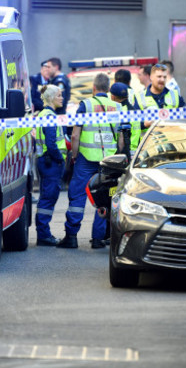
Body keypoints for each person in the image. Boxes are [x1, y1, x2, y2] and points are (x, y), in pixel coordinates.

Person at [58, 73, 123, 249]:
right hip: (108, 161)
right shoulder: (117, 107)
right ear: (109, 89)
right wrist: (118, 155)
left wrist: (74, 154)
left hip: (85, 159)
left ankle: (71, 236)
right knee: (104, 197)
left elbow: (75, 134)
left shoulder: (85, 105)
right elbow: (121, 137)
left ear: (94, 88)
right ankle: (98, 239)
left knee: (77, 195)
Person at [34, 84, 67, 246]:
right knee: (48, 198)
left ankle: (43, 233)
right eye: (59, 95)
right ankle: (44, 235)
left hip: (46, 161)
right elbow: (51, 143)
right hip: (51, 162)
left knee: (46, 197)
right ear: (52, 98)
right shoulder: (50, 116)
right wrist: (60, 158)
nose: (62, 98)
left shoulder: (44, 113)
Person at [133, 63, 185, 130]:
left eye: (164, 77)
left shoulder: (174, 95)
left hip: (172, 138)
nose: (162, 80)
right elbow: (134, 123)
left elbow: (185, 117)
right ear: (151, 77)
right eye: (159, 77)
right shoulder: (140, 97)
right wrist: (144, 124)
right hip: (150, 139)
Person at [109, 82, 140, 158]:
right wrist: (133, 152)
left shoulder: (113, 111)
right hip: (131, 153)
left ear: (113, 97)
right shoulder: (133, 111)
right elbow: (136, 133)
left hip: (114, 153)